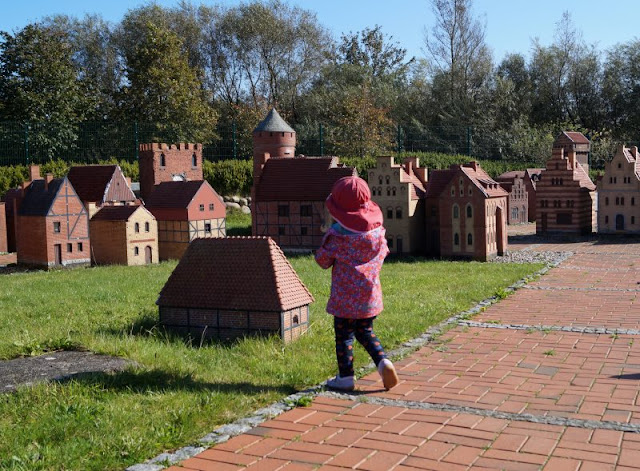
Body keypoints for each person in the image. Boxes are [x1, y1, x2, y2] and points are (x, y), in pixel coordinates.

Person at [315, 175, 398, 391]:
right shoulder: (378, 234)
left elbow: (322, 262)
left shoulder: (337, 236)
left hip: (344, 299)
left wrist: (324, 249)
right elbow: (385, 252)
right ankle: (383, 362)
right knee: (365, 331)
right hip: (369, 296)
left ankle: (345, 377)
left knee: (344, 336)